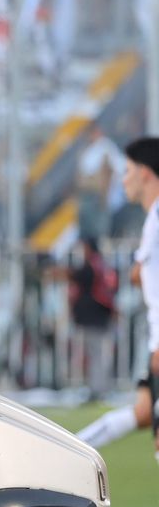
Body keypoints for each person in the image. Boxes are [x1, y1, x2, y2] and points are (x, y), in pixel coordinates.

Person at [78, 138, 159, 454]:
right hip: (154, 344)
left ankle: (71, 450)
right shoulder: (151, 219)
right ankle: (74, 449)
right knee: (142, 412)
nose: (123, 179)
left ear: (146, 174)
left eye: (127, 171)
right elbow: (140, 271)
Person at [67, 237, 118, 401]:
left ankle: (98, 390)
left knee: (96, 355)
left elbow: (76, 276)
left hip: (94, 317)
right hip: (102, 316)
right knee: (100, 354)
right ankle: (100, 388)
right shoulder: (102, 264)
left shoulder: (92, 265)